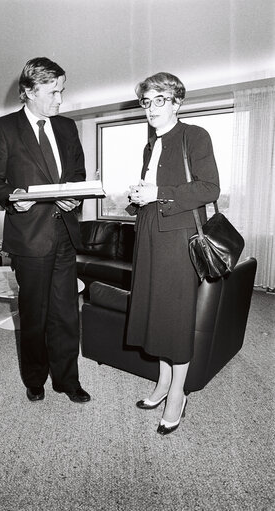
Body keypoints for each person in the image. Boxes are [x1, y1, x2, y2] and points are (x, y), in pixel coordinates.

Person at [0, 57, 90, 404]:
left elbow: (76, 175)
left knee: (66, 314)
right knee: (33, 316)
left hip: (65, 234)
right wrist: (11, 198)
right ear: (28, 91)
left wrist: (74, 197)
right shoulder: (3, 128)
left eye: (62, 90)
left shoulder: (68, 127)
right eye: (53, 92)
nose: (60, 99)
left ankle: (67, 380)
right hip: (29, 238)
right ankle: (34, 378)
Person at [126, 72, 220, 434]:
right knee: (156, 313)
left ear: (177, 101)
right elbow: (153, 192)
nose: (150, 108)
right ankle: (163, 384)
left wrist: (158, 192)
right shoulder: (150, 144)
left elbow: (210, 187)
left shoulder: (194, 136)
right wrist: (138, 198)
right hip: (150, 231)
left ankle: (178, 394)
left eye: (159, 100)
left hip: (179, 235)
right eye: (146, 102)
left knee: (175, 316)